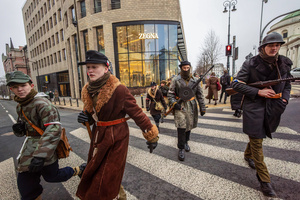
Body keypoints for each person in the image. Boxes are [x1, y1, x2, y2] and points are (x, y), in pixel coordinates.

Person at [76, 50, 159, 200]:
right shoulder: (88, 90)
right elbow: (91, 115)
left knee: (106, 175)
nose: (90, 71)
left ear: (106, 68)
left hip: (116, 137)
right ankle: (120, 196)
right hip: (98, 135)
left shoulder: (119, 89)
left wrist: (152, 136)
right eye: (88, 67)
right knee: (99, 171)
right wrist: (85, 118)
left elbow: (137, 112)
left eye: (94, 67)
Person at [231, 32, 293, 197]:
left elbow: (287, 86)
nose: (274, 48)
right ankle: (265, 181)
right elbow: (235, 84)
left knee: (258, 135)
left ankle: (246, 154)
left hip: (274, 107)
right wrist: (259, 92)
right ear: (263, 47)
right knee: (257, 142)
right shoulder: (250, 64)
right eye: (271, 45)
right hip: (254, 107)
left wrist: (284, 101)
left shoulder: (284, 64)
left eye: (277, 45)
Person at [6, 71, 84, 200]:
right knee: (26, 187)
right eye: (15, 87)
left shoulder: (42, 104)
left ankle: (79, 170)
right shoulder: (21, 105)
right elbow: (29, 130)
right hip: (29, 149)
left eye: (23, 85)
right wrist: (19, 129)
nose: (19, 89)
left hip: (45, 149)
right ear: (11, 89)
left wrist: (41, 156)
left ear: (31, 85)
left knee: (53, 176)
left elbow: (53, 130)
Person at [168, 60, 206, 161]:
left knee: (189, 125)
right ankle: (181, 148)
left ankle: (186, 142)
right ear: (181, 68)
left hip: (191, 105)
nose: (186, 69)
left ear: (190, 68)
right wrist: (174, 103)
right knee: (181, 126)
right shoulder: (176, 80)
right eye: (184, 68)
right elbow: (170, 93)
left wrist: (202, 107)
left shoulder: (195, 80)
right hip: (180, 105)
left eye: (187, 68)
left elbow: (200, 95)